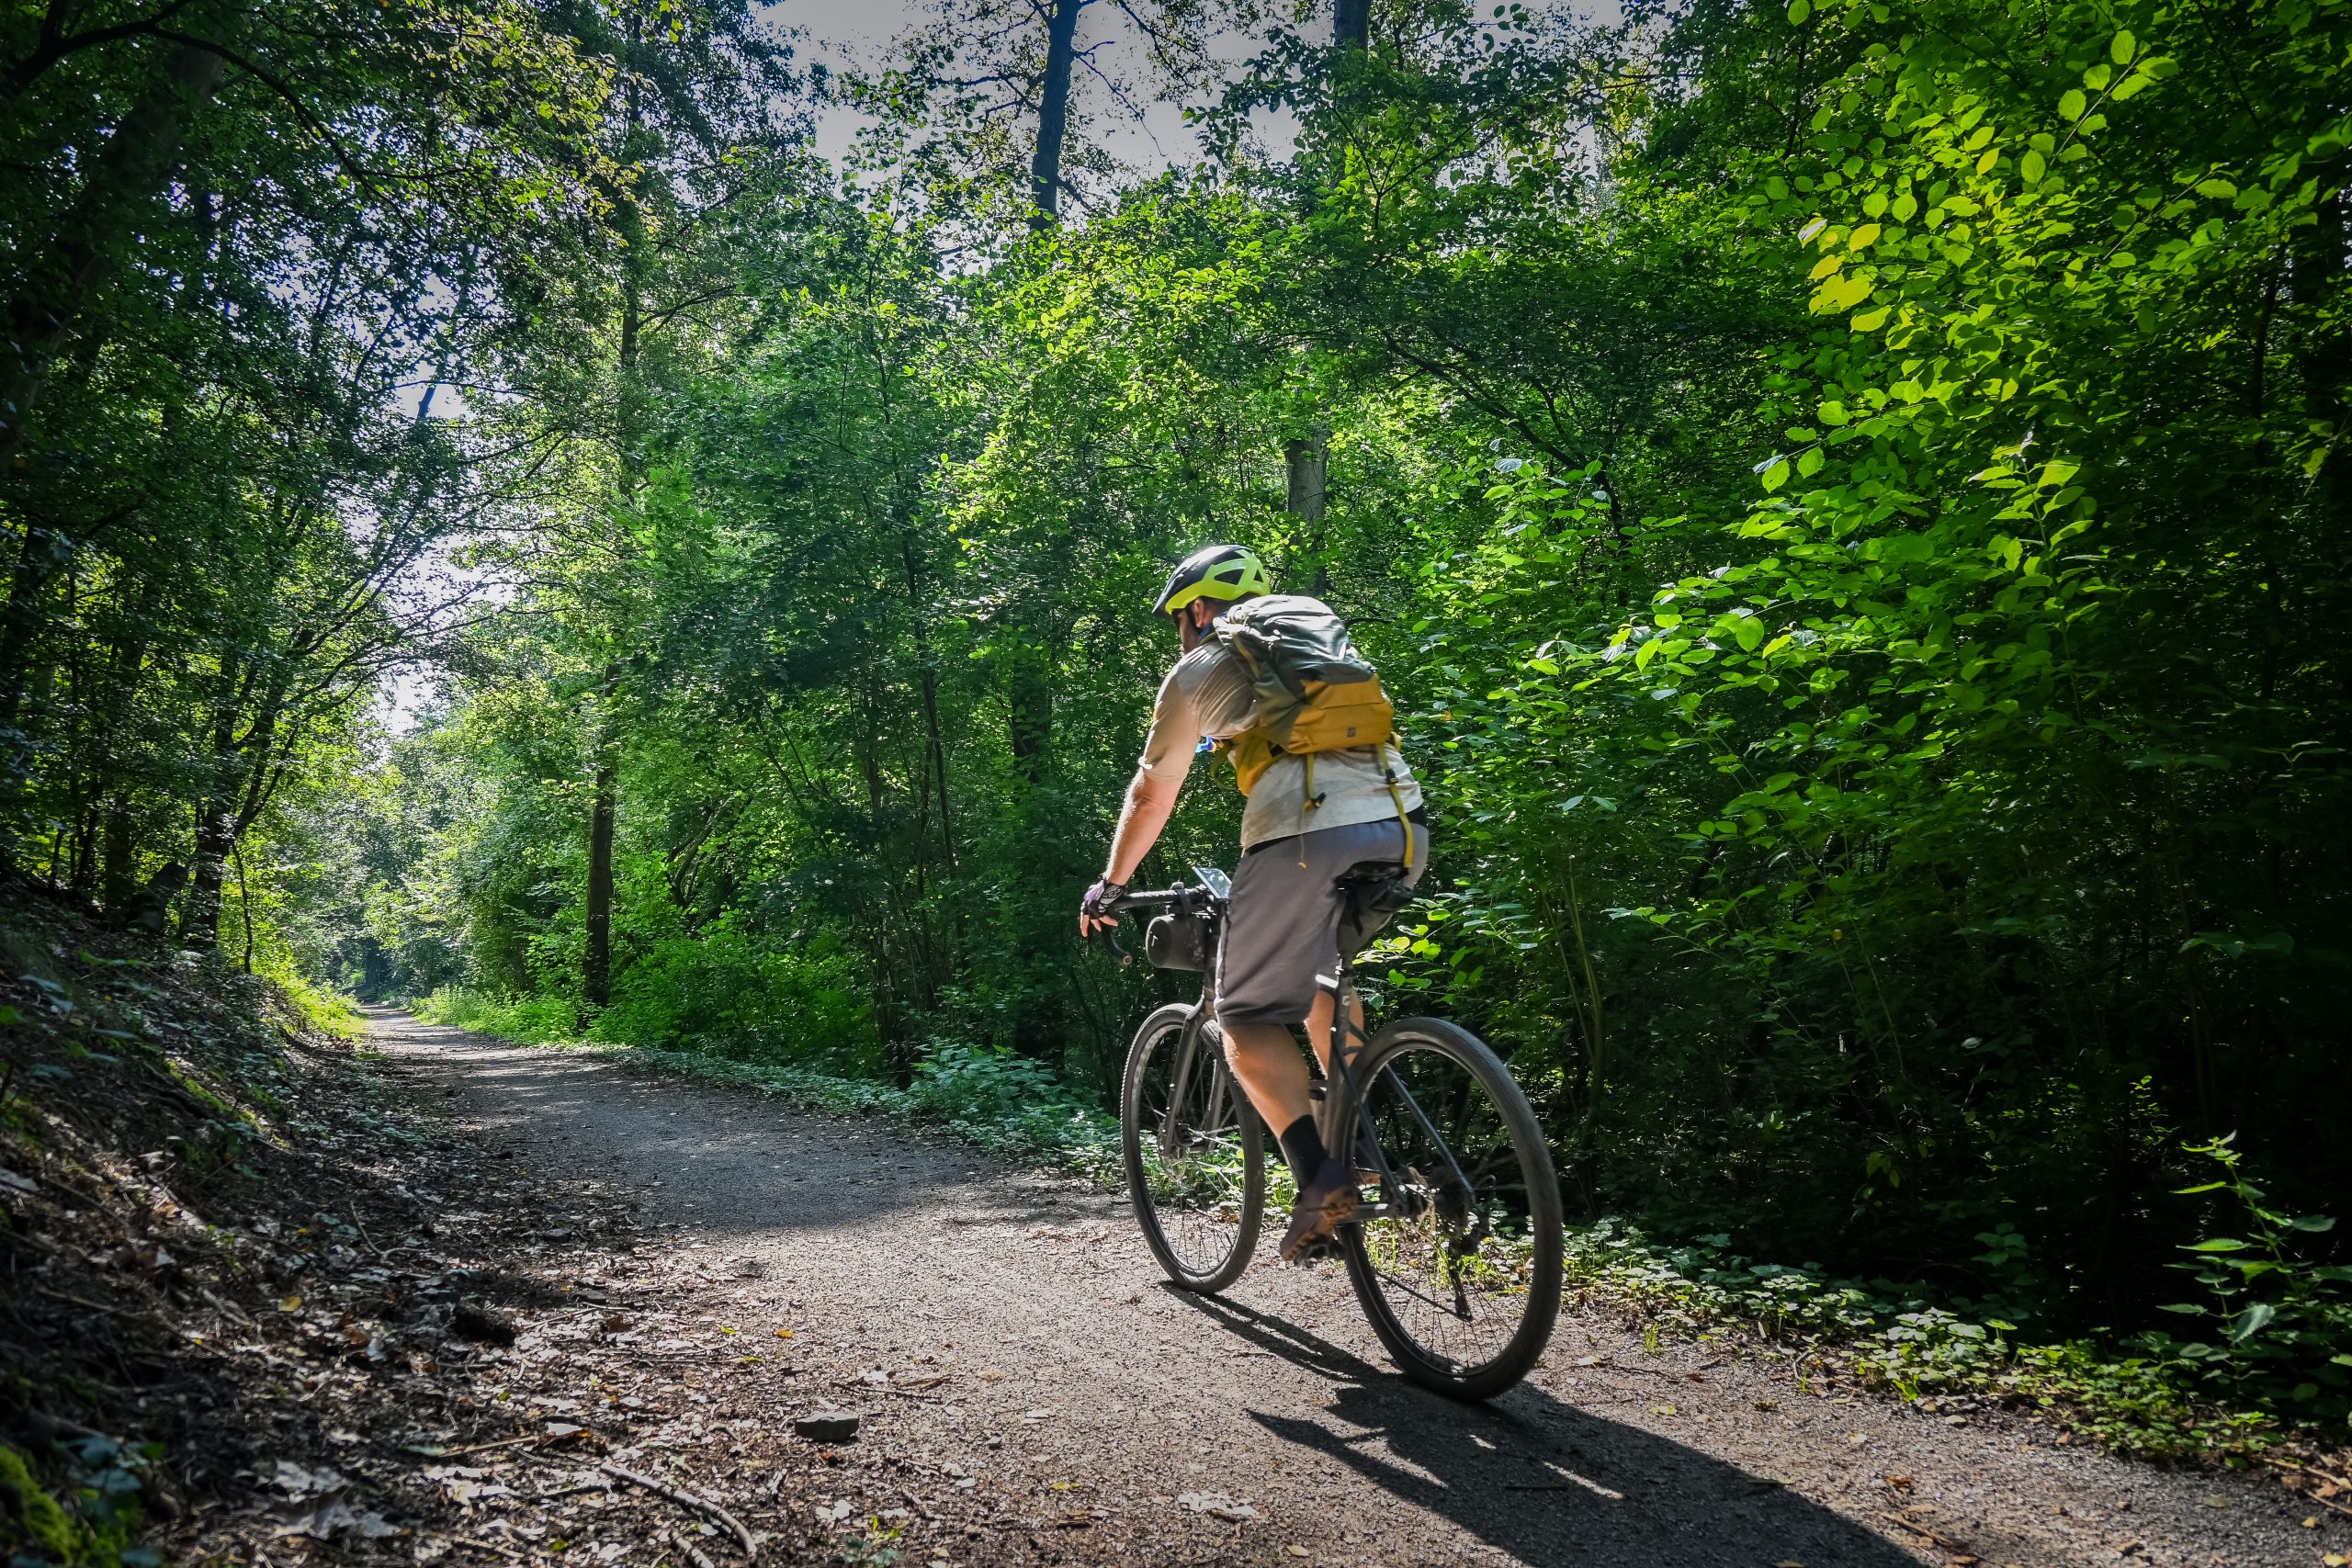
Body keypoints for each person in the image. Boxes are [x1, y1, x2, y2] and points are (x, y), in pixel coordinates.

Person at [1080, 544, 1429, 1262]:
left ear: (1199, 608)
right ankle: (1355, 1133)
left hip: (1306, 832)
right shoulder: (1317, 638)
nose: (1181, 629)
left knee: (1244, 1015)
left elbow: (1153, 790)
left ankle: (1318, 1175)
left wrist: (1111, 883)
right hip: (1404, 824)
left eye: (1181, 617)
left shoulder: (1198, 668)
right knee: (1325, 977)